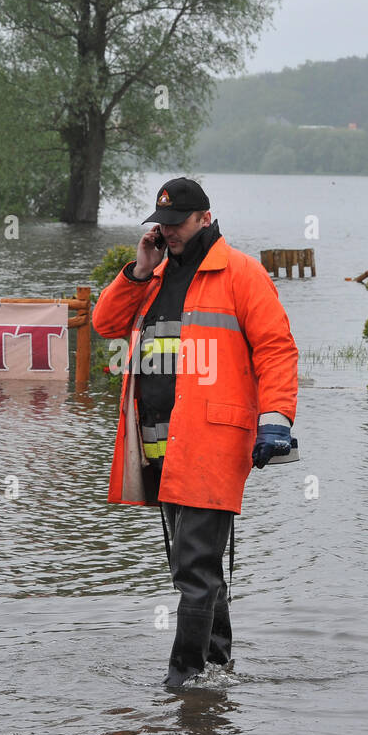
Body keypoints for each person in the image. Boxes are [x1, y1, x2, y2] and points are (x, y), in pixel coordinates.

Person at [92, 177, 299, 688]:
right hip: (163, 451)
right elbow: (103, 323)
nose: (169, 232)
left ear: (206, 218)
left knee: (193, 572)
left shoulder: (242, 274)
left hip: (214, 446)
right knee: (199, 570)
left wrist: (276, 420)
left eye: (178, 223)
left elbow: (276, 350)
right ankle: (218, 669)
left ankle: (181, 683)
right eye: (161, 224)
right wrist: (138, 271)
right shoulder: (155, 275)